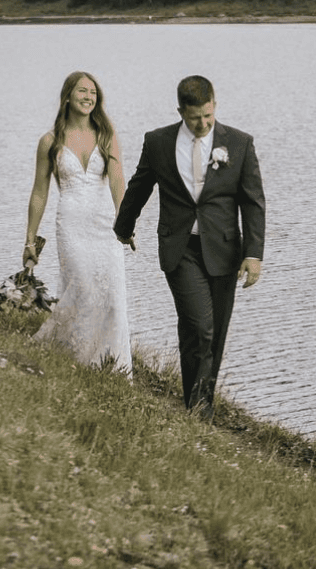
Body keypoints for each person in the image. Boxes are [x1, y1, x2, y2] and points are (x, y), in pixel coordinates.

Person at [113, 75, 265, 420]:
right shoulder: (158, 142)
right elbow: (139, 186)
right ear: (180, 110)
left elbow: (253, 202)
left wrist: (253, 254)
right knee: (200, 325)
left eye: (208, 115)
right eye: (195, 117)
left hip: (224, 249)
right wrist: (124, 226)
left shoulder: (239, 144)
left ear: (215, 105)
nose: (203, 124)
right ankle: (200, 411)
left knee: (213, 332)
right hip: (179, 247)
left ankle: (198, 404)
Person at [25, 71, 132, 375]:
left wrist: (125, 225)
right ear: (68, 96)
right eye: (82, 91)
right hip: (71, 225)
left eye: (93, 93)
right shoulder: (50, 141)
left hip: (105, 226)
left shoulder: (107, 136)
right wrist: (30, 240)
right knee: (82, 289)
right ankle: (77, 360)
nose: (88, 97)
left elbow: (117, 183)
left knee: (111, 296)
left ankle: (112, 366)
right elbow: (38, 192)